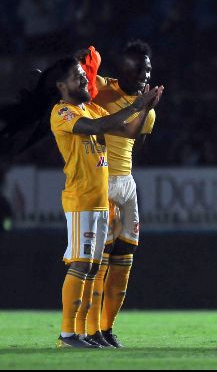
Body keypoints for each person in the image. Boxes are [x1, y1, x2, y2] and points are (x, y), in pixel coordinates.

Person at [48, 57, 161, 348]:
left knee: (92, 268)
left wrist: (146, 107)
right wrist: (136, 106)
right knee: (81, 265)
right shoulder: (63, 112)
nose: (84, 80)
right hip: (81, 197)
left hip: (99, 200)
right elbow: (103, 124)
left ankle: (86, 333)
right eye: (76, 77)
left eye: (83, 76)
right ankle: (68, 334)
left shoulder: (92, 108)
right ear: (62, 86)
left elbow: (126, 132)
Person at [79, 41, 158, 348]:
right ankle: (89, 330)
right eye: (137, 67)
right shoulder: (100, 88)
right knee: (100, 259)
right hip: (102, 180)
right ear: (121, 69)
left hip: (127, 183)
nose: (144, 73)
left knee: (125, 257)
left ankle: (107, 328)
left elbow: (135, 147)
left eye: (148, 67)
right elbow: (77, 78)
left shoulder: (147, 108)